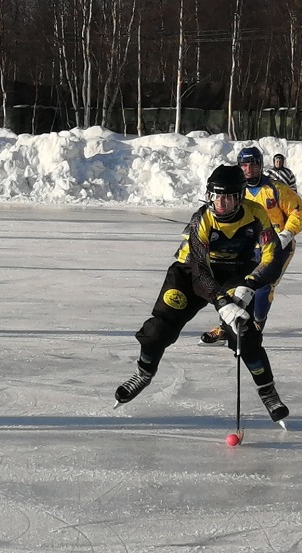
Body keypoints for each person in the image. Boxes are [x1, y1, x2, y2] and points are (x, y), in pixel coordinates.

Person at [114, 163, 291, 424]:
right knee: (158, 329)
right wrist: (222, 303)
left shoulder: (256, 214)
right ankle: (144, 372)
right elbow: (200, 270)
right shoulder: (202, 218)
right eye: (215, 196)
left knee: (244, 334)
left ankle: (267, 390)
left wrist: (249, 284)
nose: (220, 203)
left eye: (227, 198)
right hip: (192, 273)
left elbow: (272, 255)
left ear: (240, 197)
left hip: (235, 272)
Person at [200, 145, 302, 344]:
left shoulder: (276, 189)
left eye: (252, 165)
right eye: (244, 165)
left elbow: (299, 210)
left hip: (277, 246)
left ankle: (257, 325)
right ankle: (226, 327)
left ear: (260, 166)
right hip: (249, 246)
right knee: (233, 285)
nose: (248, 170)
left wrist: (287, 233)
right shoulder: (235, 191)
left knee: (262, 287)